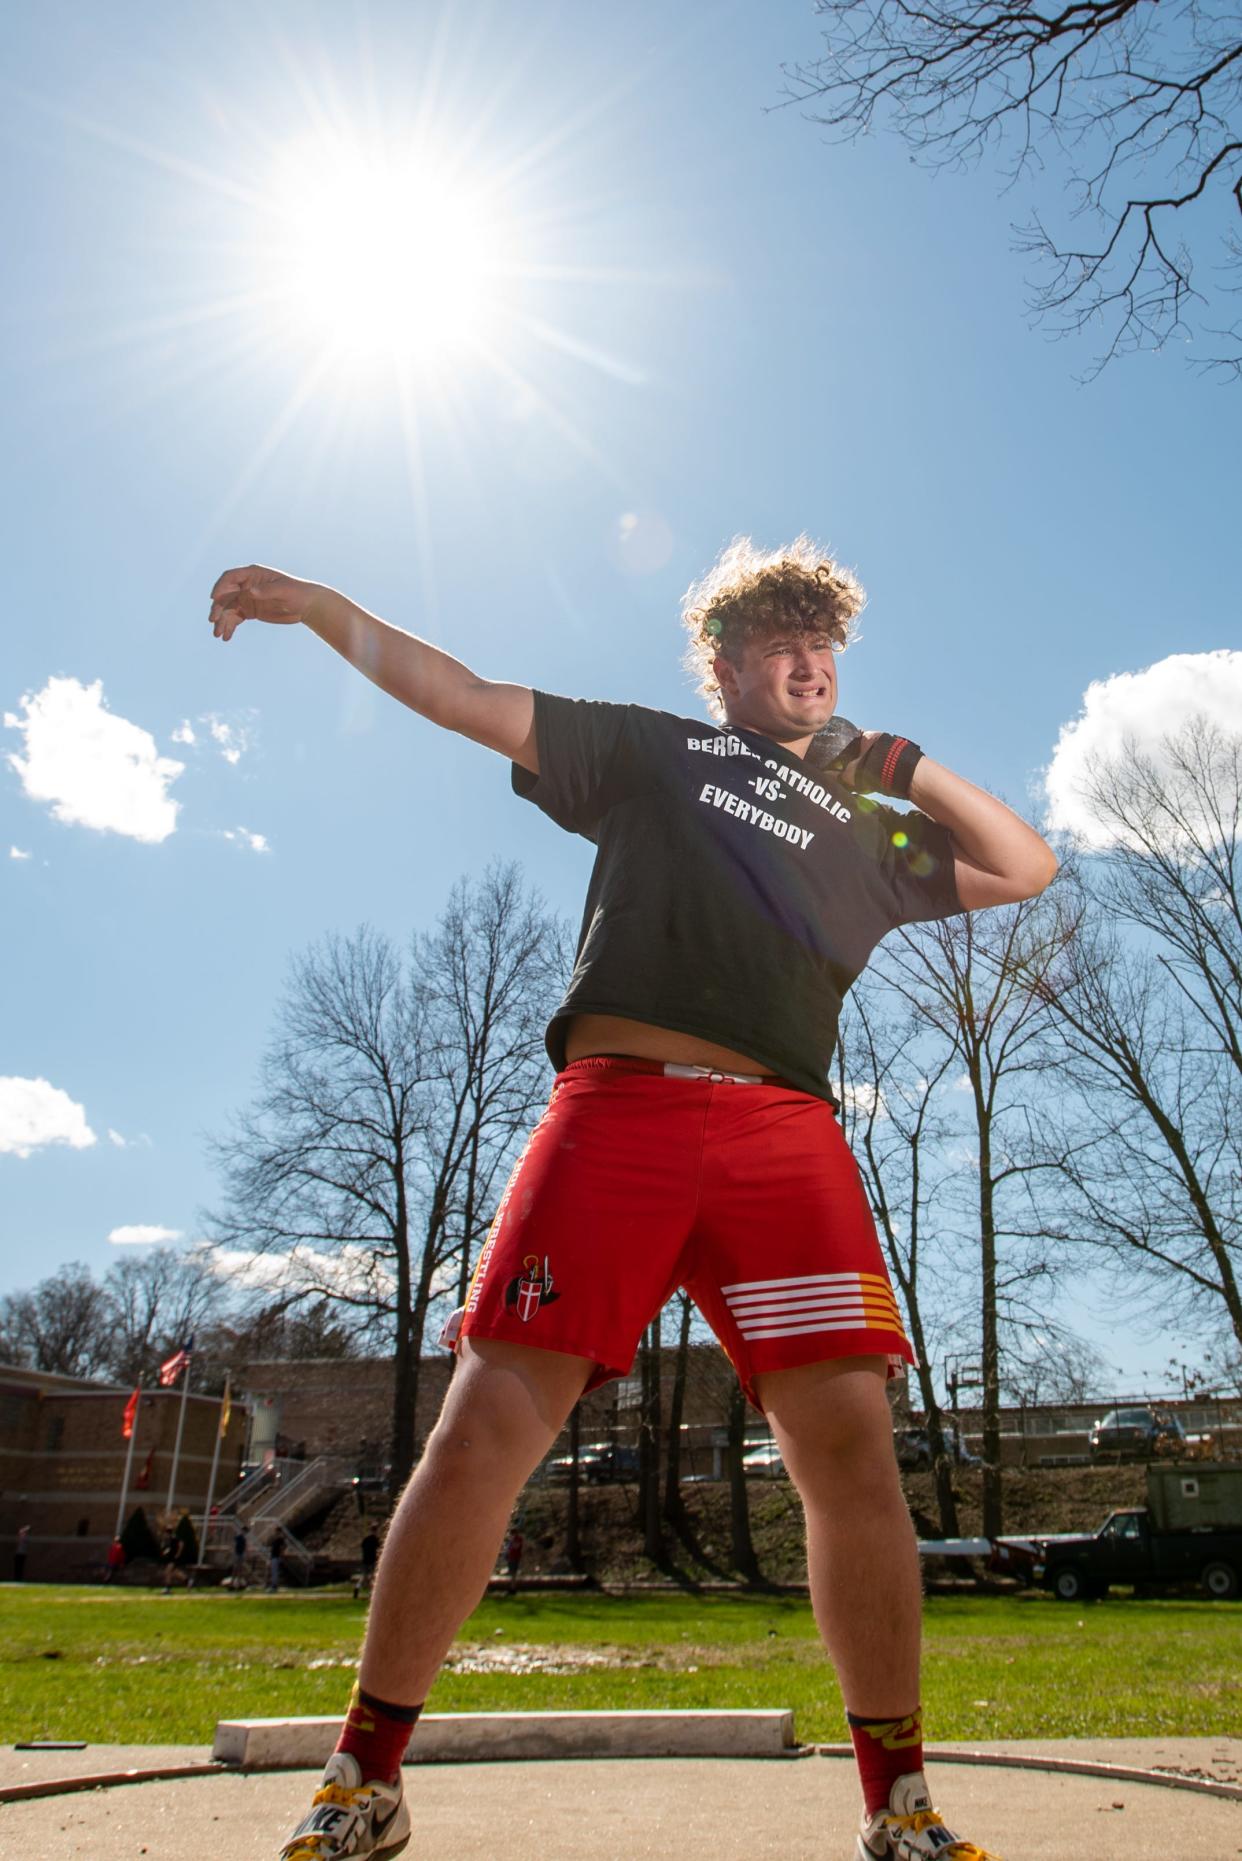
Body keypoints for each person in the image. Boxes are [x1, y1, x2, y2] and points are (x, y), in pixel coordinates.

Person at [210, 547, 1056, 1861]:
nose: (806, 662)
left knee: (849, 1454)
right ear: (721, 665)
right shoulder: (654, 751)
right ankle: (361, 1777)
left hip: (786, 1139)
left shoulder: (861, 824)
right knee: (487, 1426)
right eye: (778, 640)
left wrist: (904, 766)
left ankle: (898, 1804)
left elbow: (1022, 864)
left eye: (821, 644)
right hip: (617, 1116)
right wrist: (319, 609)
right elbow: (460, 693)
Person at [355, 1526, 381, 1601]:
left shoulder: (366, 1539)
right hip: (372, 1560)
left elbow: (362, 1547)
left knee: (364, 1576)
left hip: (365, 1560)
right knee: (373, 1577)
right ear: (375, 1531)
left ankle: (357, 1587)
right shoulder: (375, 1540)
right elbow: (379, 1550)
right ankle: (371, 1593)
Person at [502, 1527, 524, 1594]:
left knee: (513, 1573)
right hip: (511, 1557)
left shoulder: (518, 1539)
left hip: (515, 1558)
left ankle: (513, 1588)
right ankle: (511, 1587)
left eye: (512, 1533)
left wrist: (511, 1542)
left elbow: (516, 1547)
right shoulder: (513, 1539)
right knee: (511, 1573)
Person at [268, 1529, 287, 1593]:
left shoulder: (280, 1539)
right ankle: (274, 1585)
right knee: (273, 1572)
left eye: (277, 1531)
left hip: (276, 1557)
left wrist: (281, 1554)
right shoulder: (275, 1539)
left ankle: (274, 1586)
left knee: (275, 1572)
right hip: (273, 1557)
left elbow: (283, 1547)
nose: (276, 1533)